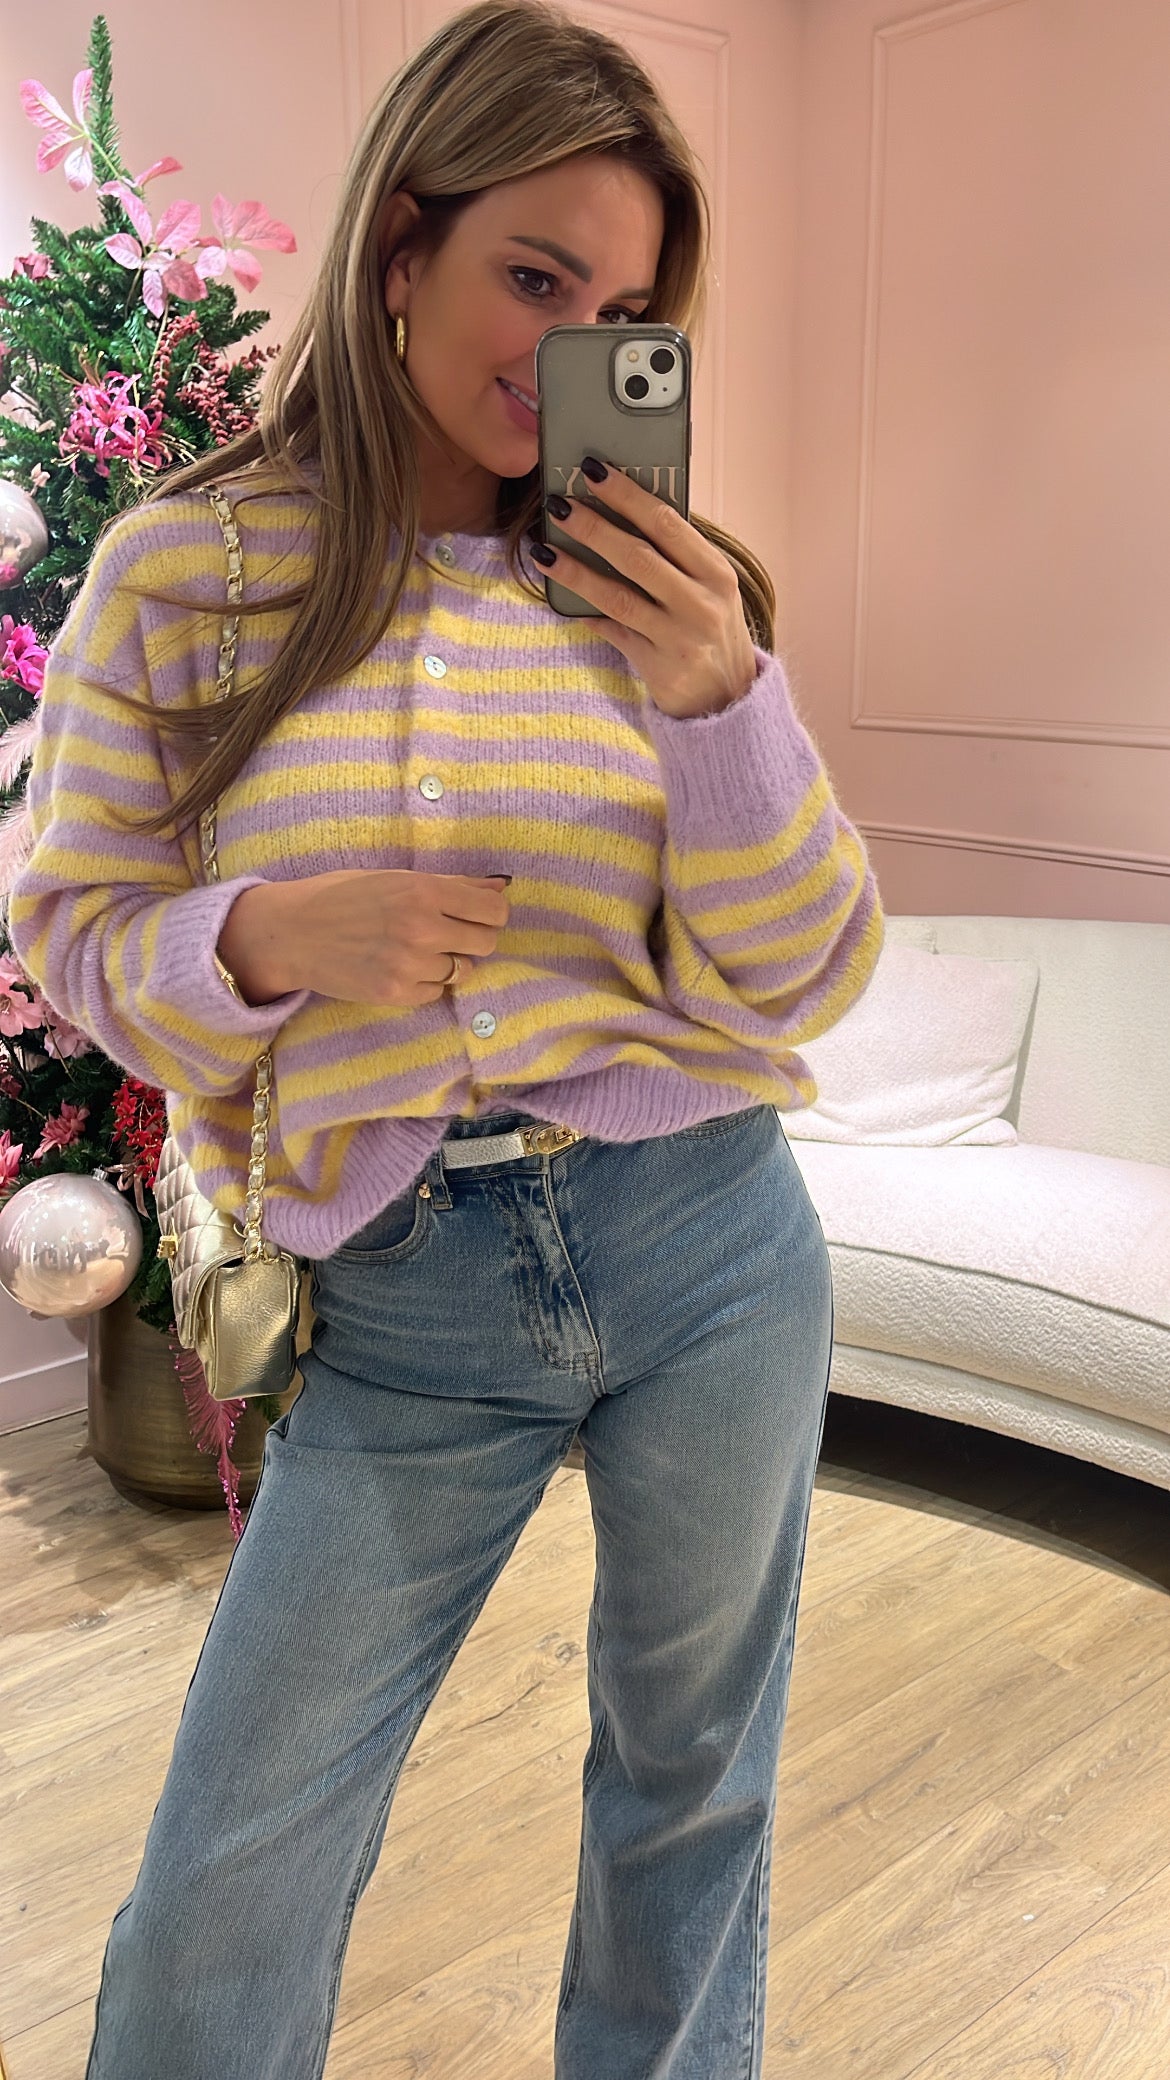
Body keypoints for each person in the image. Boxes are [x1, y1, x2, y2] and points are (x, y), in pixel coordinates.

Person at [7, 3, 884, 2073]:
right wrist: (263, 936)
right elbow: (72, 930)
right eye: (536, 277)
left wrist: (724, 698)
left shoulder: (673, 598)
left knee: (691, 1789)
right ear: (401, 244)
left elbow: (808, 974)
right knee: (230, 1873)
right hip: (407, 1291)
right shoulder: (192, 572)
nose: (572, 342)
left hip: (708, 1241)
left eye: (626, 312)